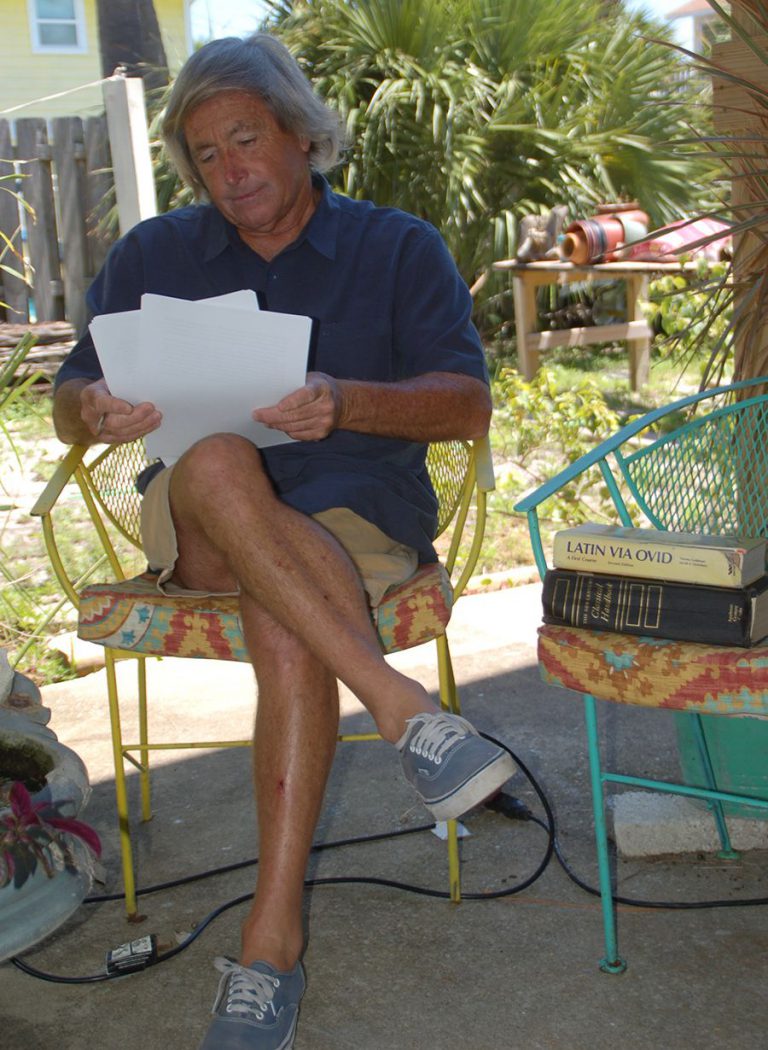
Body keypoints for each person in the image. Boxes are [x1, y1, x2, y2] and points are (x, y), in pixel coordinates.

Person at [52, 33, 515, 1050]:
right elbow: (69, 395)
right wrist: (92, 408)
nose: (230, 169)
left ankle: (270, 947)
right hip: (198, 519)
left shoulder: (398, 248)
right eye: (206, 153)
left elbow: (467, 405)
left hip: (357, 509)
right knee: (219, 460)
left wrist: (346, 402)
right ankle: (403, 709)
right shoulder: (153, 255)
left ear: (302, 134)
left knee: (284, 614)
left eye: (247, 139)